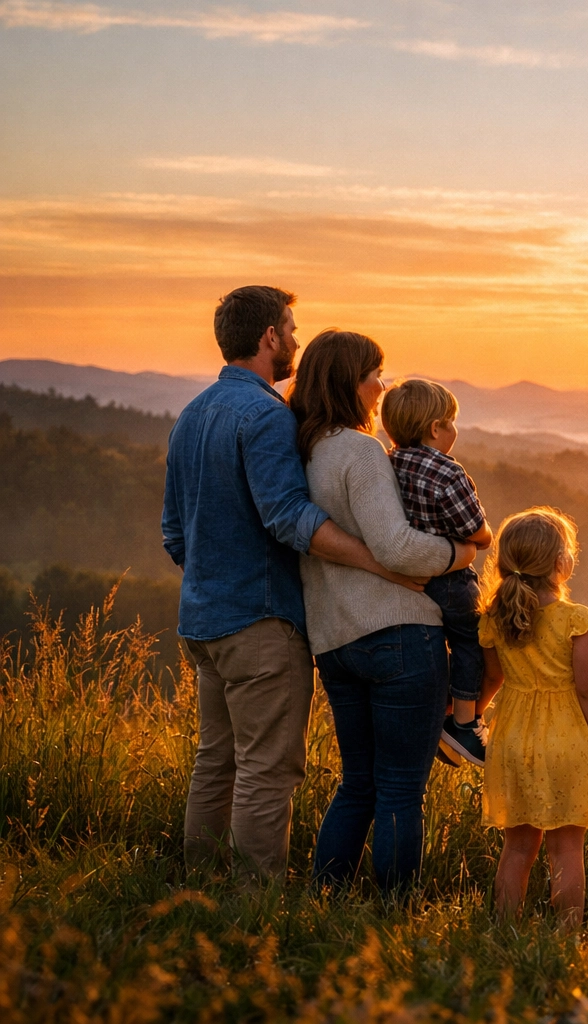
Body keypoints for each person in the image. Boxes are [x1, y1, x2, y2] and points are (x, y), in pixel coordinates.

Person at [163, 286, 430, 880]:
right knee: (267, 769)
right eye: (291, 328)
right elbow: (289, 516)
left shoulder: (192, 415)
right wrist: (381, 563)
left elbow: (174, 535)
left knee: (216, 764)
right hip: (260, 624)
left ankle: (200, 889)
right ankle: (256, 906)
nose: (297, 341)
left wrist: (215, 578)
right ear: (268, 338)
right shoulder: (263, 415)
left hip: (202, 623)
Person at [289, 330, 479, 894]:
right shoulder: (361, 449)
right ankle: (393, 912)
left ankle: (328, 894)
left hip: (334, 639)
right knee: (400, 789)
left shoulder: (306, 449)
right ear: (352, 382)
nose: (382, 385)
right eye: (376, 374)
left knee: (358, 785)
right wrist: (460, 552)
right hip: (396, 636)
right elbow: (396, 546)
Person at [479, 507, 588, 930]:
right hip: (567, 742)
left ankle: (504, 930)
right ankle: (567, 935)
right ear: (562, 564)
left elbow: (492, 679)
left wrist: (468, 716)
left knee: (517, 848)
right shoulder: (575, 620)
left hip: (514, 739)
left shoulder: (494, 618)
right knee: (566, 849)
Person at [380, 379, 496, 767]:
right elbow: (476, 531)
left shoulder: (388, 463)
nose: (455, 430)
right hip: (452, 581)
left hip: (408, 581)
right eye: (451, 422)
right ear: (435, 428)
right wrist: (487, 537)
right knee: (470, 641)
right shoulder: (448, 473)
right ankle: (463, 723)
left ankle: (445, 717)